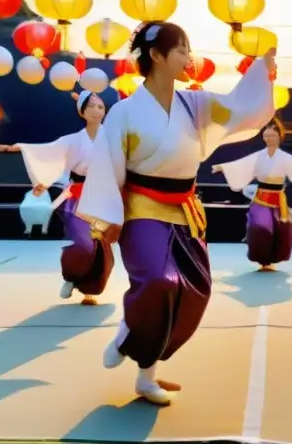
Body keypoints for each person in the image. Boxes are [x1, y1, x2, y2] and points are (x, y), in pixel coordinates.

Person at [77, 21, 275, 406]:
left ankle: (145, 374)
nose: (188, 57)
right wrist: (109, 217)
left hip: (186, 210)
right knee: (157, 281)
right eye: (182, 49)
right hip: (142, 207)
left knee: (193, 292)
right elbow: (108, 164)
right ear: (156, 56)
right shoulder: (124, 111)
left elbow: (238, 109)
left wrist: (261, 75)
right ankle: (128, 335)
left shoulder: (194, 103)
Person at [0, 90, 113, 304]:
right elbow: (49, 152)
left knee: (100, 247)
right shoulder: (72, 140)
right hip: (78, 197)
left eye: (100, 106)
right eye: (91, 106)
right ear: (82, 112)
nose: (97, 110)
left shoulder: (112, 137)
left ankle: (89, 290)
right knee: (83, 243)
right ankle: (71, 276)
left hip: (103, 197)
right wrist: (18, 147)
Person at [213, 120, 292, 270]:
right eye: (266, 135)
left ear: (279, 137)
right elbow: (242, 164)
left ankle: (272, 260)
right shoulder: (258, 156)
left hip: (278, 198)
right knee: (260, 227)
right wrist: (223, 167)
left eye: (272, 136)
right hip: (262, 197)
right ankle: (262, 260)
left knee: (281, 229)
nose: (268, 139)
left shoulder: (285, 157)